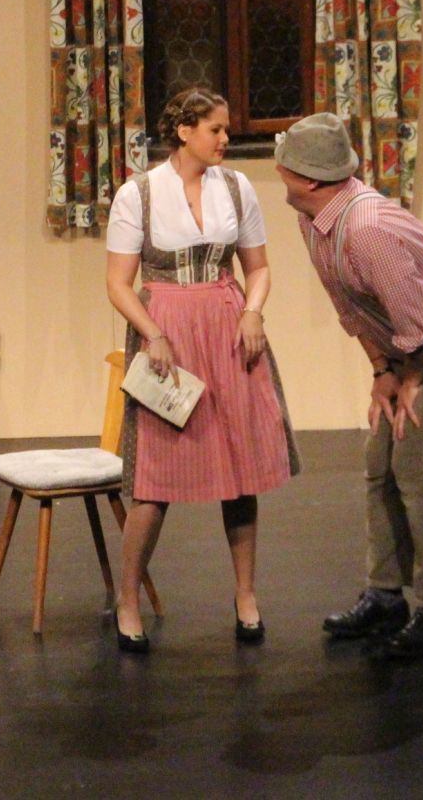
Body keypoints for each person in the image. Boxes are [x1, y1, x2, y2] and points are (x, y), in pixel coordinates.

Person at [275, 114, 423, 661]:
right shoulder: (315, 221)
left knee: (419, 461)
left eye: (284, 162)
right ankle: (385, 595)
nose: (278, 167)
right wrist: (382, 372)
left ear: (307, 178)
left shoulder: (366, 229)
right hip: (418, 344)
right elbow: (353, 308)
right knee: (379, 457)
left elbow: (415, 317)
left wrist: (411, 376)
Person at [104, 87, 299, 654]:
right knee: (154, 477)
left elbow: (258, 267)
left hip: (228, 329)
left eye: (227, 129)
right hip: (167, 332)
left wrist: (252, 311)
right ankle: (128, 598)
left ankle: (245, 594)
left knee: (240, 470)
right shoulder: (138, 194)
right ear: (184, 131)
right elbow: (118, 283)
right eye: (216, 129)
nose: (225, 139)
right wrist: (153, 333)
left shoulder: (236, 188)